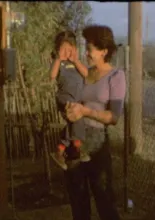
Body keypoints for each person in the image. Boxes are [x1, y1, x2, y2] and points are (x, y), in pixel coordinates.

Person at [64, 25, 126, 220]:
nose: (86, 52)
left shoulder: (116, 76)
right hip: (77, 138)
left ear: (104, 51)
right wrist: (72, 109)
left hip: (97, 143)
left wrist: (85, 111)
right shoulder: (87, 72)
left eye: (89, 48)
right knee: (78, 197)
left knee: (104, 199)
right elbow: (80, 99)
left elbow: (114, 117)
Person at [50, 30, 90, 170]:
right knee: (77, 116)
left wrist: (76, 60)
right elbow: (52, 75)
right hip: (64, 99)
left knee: (72, 123)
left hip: (77, 100)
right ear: (58, 49)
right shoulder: (59, 63)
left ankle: (59, 150)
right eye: (64, 49)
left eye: (70, 49)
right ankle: (78, 146)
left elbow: (87, 74)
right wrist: (58, 59)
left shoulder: (78, 63)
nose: (67, 52)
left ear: (75, 49)